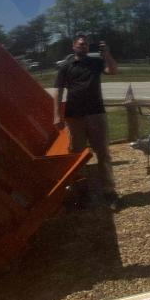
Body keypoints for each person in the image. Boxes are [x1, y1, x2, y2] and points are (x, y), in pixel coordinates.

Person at [53, 34, 119, 209]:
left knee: (103, 153)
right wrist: (57, 116)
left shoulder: (96, 63)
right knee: (77, 156)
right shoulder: (66, 67)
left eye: (86, 45)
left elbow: (112, 71)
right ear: (74, 47)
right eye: (81, 44)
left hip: (96, 114)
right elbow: (58, 92)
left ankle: (109, 191)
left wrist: (108, 54)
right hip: (74, 117)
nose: (84, 47)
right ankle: (82, 193)